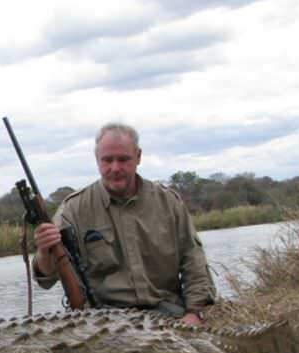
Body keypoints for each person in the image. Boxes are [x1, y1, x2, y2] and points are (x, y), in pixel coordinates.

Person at [32, 123, 216, 325]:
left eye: (123, 159)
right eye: (107, 160)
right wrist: (43, 252)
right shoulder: (72, 210)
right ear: (97, 160)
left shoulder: (169, 202)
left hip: (169, 314)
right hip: (104, 324)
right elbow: (46, 280)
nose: (115, 168)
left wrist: (194, 312)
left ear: (138, 157)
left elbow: (193, 261)